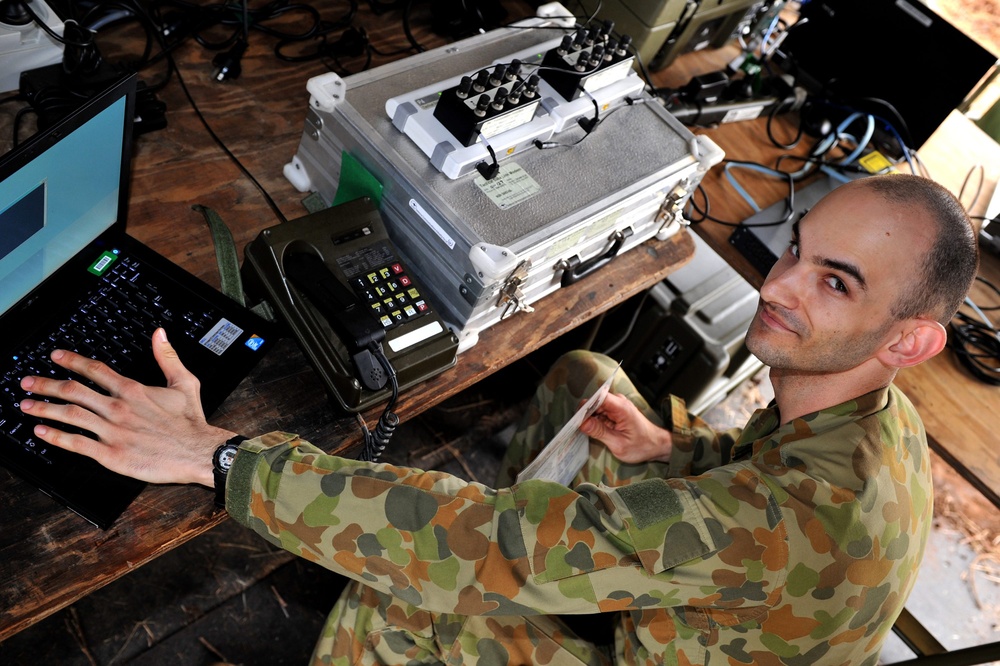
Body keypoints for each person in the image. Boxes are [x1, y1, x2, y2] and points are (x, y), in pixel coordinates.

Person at [19, 173, 979, 665]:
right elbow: (760, 466)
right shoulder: (877, 418)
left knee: (404, 592)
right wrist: (679, 448)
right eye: (799, 250)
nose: (779, 287)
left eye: (837, 283)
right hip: (732, 614)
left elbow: (494, 545)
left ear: (910, 341)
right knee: (590, 375)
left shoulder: (787, 519)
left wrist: (217, 458)